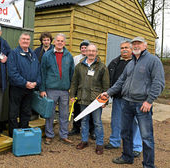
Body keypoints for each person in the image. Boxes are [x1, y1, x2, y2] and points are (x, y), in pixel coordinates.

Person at [102, 37, 165, 167]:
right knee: (125, 132)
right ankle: (127, 156)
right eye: (134, 44)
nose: (136, 46)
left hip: (142, 104)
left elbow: (158, 83)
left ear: (145, 46)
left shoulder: (153, 61)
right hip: (126, 103)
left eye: (139, 44)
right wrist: (108, 93)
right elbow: (120, 81)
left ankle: (148, 164)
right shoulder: (130, 63)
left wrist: (149, 101)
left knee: (146, 137)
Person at [104, 40, 142, 158]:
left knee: (136, 123)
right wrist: (107, 95)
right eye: (122, 48)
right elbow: (109, 80)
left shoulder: (138, 63)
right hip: (118, 98)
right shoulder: (114, 63)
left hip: (134, 99)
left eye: (126, 47)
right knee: (115, 121)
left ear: (131, 49)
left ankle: (136, 147)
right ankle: (114, 141)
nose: (124, 50)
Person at [70, 43, 109, 155]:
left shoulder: (102, 67)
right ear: (85, 52)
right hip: (82, 98)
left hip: (96, 100)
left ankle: (100, 144)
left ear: (96, 53)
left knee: (97, 122)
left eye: (93, 51)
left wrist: (105, 100)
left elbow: (106, 86)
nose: (91, 53)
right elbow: (74, 82)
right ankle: (84, 141)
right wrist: (72, 95)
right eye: (89, 51)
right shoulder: (79, 66)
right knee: (84, 121)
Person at [39, 33, 75, 145]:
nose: (60, 43)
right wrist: (42, 89)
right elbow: (42, 73)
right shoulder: (47, 55)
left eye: (62, 41)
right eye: (58, 40)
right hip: (51, 89)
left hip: (64, 90)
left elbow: (72, 74)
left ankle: (64, 135)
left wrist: (71, 90)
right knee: (50, 113)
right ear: (54, 42)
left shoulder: (68, 55)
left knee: (64, 114)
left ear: (64, 43)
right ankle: (49, 135)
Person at [7, 33, 41, 137]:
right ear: (19, 41)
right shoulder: (14, 53)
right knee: (14, 112)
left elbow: (39, 71)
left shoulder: (33, 54)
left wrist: (36, 82)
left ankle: (24, 132)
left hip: (30, 88)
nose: (25, 41)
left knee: (26, 112)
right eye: (23, 39)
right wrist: (25, 83)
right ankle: (13, 135)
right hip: (17, 88)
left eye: (27, 39)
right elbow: (12, 72)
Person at [69, 40, 95, 140]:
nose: (84, 49)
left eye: (86, 48)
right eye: (82, 48)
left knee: (91, 110)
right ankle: (76, 128)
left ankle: (91, 130)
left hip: (89, 90)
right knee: (77, 109)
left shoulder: (93, 59)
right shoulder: (75, 59)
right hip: (78, 88)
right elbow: (73, 74)